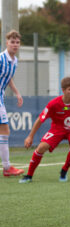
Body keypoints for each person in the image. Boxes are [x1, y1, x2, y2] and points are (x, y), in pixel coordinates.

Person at [19, 77, 70, 183]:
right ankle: (29, 175)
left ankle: (64, 171)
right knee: (41, 147)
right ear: (63, 90)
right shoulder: (53, 104)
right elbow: (40, 119)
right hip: (57, 129)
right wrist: (30, 136)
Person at [1, 30, 25, 177]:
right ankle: (7, 167)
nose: (15, 45)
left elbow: (8, 77)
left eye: (17, 42)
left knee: (3, 132)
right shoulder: (1, 59)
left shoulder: (14, 61)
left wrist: (17, 93)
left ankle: (7, 167)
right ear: (7, 43)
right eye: (12, 42)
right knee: (4, 131)